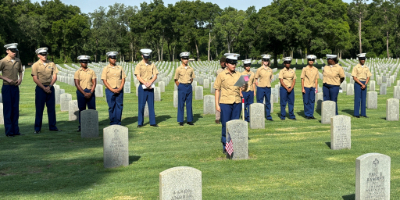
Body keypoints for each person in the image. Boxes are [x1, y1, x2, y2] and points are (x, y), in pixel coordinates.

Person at [214, 53, 243, 155]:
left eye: (235, 63)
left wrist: (245, 83)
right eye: (231, 63)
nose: (233, 65)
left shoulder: (239, 74)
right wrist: (217, 105)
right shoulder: (221, 75)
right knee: (225, 125)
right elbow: (217, 90)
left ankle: (234, 146)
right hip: (225, 103)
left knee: (235, 125)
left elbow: (243, 86)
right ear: (226, 64)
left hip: (237, 102)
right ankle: (225, 146)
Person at [31, 47, 59, 133]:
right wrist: (44, 88)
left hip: (50, 87)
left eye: (45, 54)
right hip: (40, 88)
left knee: (51, 108)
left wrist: (50, 86)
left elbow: (55, 76)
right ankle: (37, 128)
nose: (44, 56)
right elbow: (35, 78)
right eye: (42, 54)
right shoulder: (35, 65)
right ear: (38, 55)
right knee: (39, 109)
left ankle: (52, 126)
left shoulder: (51, 64)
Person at [0, 43, 23, 137]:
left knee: (15, 109)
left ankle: (16, 130)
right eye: (12, 51)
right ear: (7, 51)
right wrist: (6, 79)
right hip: (7, 87)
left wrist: (20, 79)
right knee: (8, 109)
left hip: (15, 87)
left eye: (15, 51)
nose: (14, 53)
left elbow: (21, 71)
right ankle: (9, 132)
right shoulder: (3, 61)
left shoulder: (18, 61)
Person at [135, 49, 159, 128]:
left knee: (151, 105)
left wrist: (150, 82)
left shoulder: (152, 65)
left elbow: (155, 75)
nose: (146, 59)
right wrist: (145, 83)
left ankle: (152, 122)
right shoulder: (139, 65)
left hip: (150, 86)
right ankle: (140, 122)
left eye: (147, 57)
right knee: (141, 106)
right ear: (142, 56)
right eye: (145, 57)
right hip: (142, 87)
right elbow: (138, 76)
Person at [101, 51, 126, 125]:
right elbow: (104, 80)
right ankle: (112, 121)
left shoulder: (120, 68)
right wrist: (111, 89)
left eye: (115, 58)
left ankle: (118, 121)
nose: (114, 59)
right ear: (109, 59)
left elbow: (123, 78)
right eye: (112, 58)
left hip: (119, 89)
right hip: (110, 90)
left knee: (119, 105)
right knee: (111, 106)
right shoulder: (106, 68)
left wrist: (120, 88)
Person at [74, 55, 96, 131]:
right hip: (81, 92)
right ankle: (81, 125)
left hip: (90, 91)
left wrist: (91, 92)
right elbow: (77, 84)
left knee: (92, 109)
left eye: (86, 62)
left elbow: (94, 82)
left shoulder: (91, 71)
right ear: (80, 63)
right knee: (82, 109)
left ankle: (93, 124)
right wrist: (84, 93)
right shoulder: (77, 72)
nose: (85, 63)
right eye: (83, 62)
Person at [174, 52, 195, 126]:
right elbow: (176, 79)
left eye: (187, 58)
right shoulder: (178, 69)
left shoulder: (191, 69)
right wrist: (179, 86)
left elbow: (192, 78)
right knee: (181, 104)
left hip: (189, 86)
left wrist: (188, 84)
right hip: (182, 86)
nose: (186, 60)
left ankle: (189, 120)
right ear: (181, 59)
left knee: (189, 104)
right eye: (184, 59)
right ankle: (181, 120)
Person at [255, 54, 274, 121]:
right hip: (260, 87)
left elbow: (271, 78)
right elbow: (256, 78)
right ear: (262, 61)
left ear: (268, 61)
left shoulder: (270, 70)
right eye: (265, 60)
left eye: (267, 60)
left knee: (268, 102)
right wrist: (257, 85)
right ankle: (260, 116)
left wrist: (268, 83)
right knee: (260, 102)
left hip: (268, 87)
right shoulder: (259, 69)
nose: (266, 62)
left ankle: (268, 116)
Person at [352, 53, 371, 118]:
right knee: (357, 99)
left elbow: (368, 76)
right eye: (361, 59)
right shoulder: (356, 67)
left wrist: (365, 84)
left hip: (364, 83)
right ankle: (356, 113)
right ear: (359, 60)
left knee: (364, 99)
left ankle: (363, 113)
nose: (363, 60)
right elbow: (354, 77)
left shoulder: (366, 68)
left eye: (364, 59)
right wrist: (361, 84)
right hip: (358, 83)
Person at [301, 55, 318, 119]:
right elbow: (302, 79)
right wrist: (302, 88)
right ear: (308, 61)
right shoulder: (304, 69)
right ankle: (307, 114)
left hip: (313, 87)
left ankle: (311, 114)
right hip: (306, 86)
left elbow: (316, 79)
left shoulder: (315, 69)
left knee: (312, 101)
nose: (311, 61)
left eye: (312, 60)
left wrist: (316, 88)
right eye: (310, 60)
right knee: (306, 101)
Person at [215, 56, 227, 124]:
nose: (223, 63)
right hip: (220, 89)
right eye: (222, 62)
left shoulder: (227, 70)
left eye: (224, 62)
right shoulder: (218, 71)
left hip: (226, 89)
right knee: (218, 103)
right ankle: (217, 118)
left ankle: (224, 117)